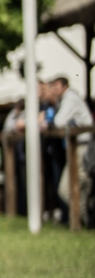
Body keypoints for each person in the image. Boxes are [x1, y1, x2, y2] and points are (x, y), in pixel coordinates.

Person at [42, 76, 93, 223]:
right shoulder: (63, 100)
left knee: (79, 186)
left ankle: (85, 218)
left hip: (83, 148)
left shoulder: (70, 98)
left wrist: (47, 122)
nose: (53, 89)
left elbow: (59, 122)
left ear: (65, 86)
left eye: (56, 86)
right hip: (75, 148)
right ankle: (85, 218)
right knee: (68, 189)